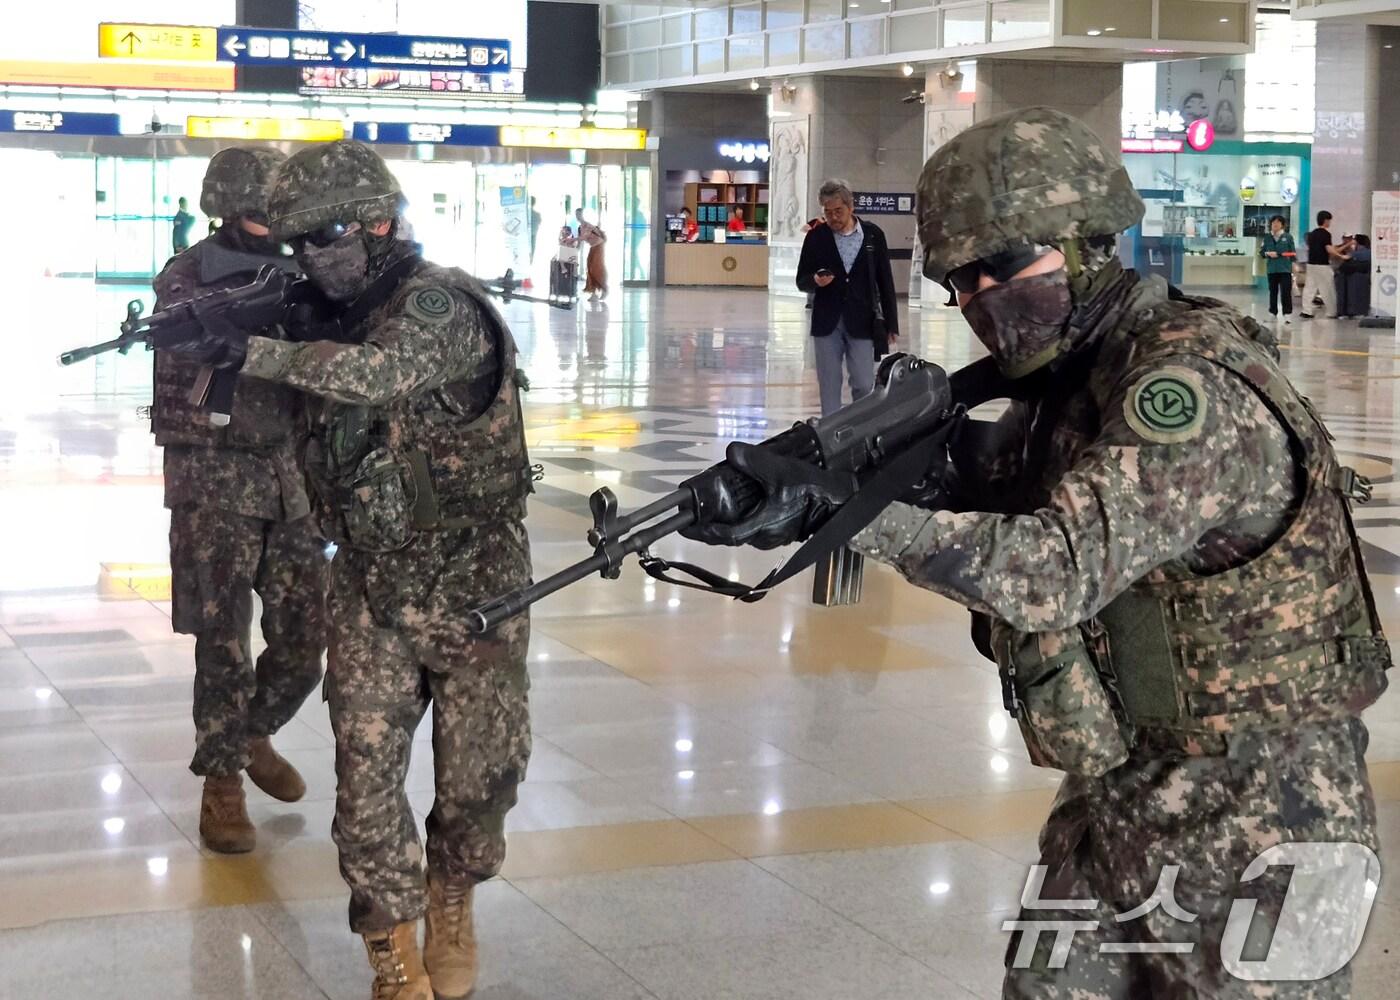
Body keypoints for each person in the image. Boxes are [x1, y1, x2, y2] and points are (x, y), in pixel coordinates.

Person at [684, 107, 1389, 997]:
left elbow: (1053, 566)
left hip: (1263, 810)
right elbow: (999, 473)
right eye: (961, 280)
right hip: (1121, 789)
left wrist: (854, 514)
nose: (982, 296)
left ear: (1088, 241)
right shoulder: (1079, 376)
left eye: (1007, 264)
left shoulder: (1188, 385)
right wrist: (815, 481)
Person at [166, 140, 535, 1000]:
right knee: (364, 778)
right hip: (370, 585)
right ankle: (391, 953)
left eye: (324, 235)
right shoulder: (319, 311)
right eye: (296, 243)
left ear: (378, 222)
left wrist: (252, 347)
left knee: (481, 778)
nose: (309, 256)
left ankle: (452, 898)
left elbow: (381, 374)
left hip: (475, 587)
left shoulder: (439, 305)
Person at [152, 148, 327, 855]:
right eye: (253, 207)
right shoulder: (189, 276)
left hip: (290, 478)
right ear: (224, 204)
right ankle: (220, 782)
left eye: (272, 208)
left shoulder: (306, 267)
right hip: (215, 480)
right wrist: (234, 333)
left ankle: (254, 733)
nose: (265, 220)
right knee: (222, 640)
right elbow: (178, 354)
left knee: (306, 638)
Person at [796, 178, 899, 416]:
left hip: (862, 319)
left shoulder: (873, 236)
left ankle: (860, 431)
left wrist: (891, 323)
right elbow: (801, 279)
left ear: (851, 207)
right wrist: (815, 281)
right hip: (826, 321)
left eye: (838, 211)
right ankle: (832, 437)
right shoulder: (816, 237)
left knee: (864, 383)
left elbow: (885, 281)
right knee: (829, 385)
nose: (833, 218)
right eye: (828, 212)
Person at [1302, 210, 1344, 319]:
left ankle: (1306, 310)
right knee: (1328, 288)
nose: (1330, 223)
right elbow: (1329, 249)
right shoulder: (1326, 234)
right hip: (1322, 265)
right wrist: (1341, 256)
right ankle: (1332, 312)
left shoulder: (1312, 234)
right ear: (1325, 221)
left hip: (1311, 264)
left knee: (1309, 288)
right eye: (1329, 220)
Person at [1259, 213, 1296, 323]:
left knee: (1286, 292)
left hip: (1284, 269)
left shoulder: (1288, 237)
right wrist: (1267, 254)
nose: (1275, 224)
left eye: (1278, 222)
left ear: (1282, 225)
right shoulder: (1267, 238)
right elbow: (1261, 253)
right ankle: (1272, 312)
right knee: (1272, 291)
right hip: (1272, 269)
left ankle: (1287, 313)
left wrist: (1280, 254)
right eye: (1273, 222)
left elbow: (1292, 254)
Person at [1336, 233, 1372, 318]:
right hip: (1365, 277)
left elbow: (1345, 258)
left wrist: (1337, 253)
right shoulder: (1370, 252)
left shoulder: (1356, 253)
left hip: (1351, 277)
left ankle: (1345, 311)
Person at [576, 207, 608, 299]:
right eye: (577, 214)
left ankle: (604, 289)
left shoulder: (588, 225)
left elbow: (582, 237)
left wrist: (571, 240)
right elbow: (580, 241)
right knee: (590, 268)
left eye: (579, 214)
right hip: (593, 247)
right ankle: (593, 292)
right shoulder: (580, 227)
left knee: (595, 268)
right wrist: (575, 251)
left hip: (599, 246)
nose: (578, 216)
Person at [528, 195, 541, 263]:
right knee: (532, 247)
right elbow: (539, 222)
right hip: (534, 232)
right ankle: (531, 260)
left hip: (526, 232)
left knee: (526, 246)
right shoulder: (537, 214)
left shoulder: (526, 213)